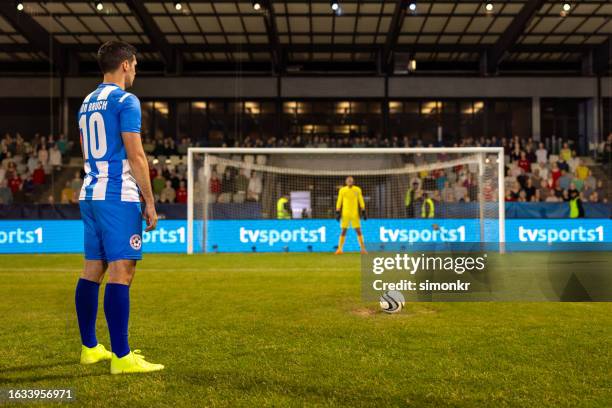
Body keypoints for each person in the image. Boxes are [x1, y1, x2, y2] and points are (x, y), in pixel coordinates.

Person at [74, 41, 163, 375]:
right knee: (122, 271)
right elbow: (136, 154)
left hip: (91, 191)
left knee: (92, 270)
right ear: (125, 65)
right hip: (117, 195)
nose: (136, 70)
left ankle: (90, 348)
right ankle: (123, 357)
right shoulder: (127, 100)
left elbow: (86, 149)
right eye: (136, 64)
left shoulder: (86, 103)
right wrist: (150, 201)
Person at [335, 176, 367, 255]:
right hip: (345, 214)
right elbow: (339, 200)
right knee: (343, 231)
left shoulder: (357, 189)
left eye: (351, 180)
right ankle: (339, 249)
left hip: (354, 214)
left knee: (358, 230)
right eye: (348, 180)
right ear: (346, 182)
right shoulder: (342, 190)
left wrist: (363, 210)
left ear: (353, 182)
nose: (349, 181)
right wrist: (337, 211)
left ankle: (363, 249)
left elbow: (360, 200)